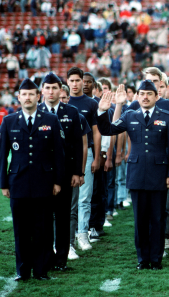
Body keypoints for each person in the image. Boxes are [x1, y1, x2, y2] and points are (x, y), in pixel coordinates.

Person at [97, 81, 169, 270]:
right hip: (137, 174)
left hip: (159, 174)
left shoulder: (167, 117)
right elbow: (108, 130)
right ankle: (142, 259)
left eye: (149, 94)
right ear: (137, 96)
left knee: (157, 218)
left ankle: (156, 259)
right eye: (141, 93)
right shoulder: (129, 115)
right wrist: (102, 112)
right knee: (140, 219)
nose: (145, 97)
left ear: (156, 97)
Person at [0, 79, 65, 281]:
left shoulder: (51, 120)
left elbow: (59, 155)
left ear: (38, 96)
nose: (28, 97)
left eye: (31, 94)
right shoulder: (9, 121)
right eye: (24, 94)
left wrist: (58, 181)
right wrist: (3, 184)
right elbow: (2, 156)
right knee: (21, 229)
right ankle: (23, 270)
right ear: (18, 97)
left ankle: (41, 270)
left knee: (42, 228)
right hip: (17, 183)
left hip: (44, 182)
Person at [38, 73, 84, 272]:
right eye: (47, 88)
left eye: (54, 88)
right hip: (41, 175)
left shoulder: (71, 112)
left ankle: (61, 259)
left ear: (61, 90)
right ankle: (46, 257)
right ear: (42, 91)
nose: (50, 92)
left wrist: (78, 173)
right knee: (43, 218)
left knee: (63, 217)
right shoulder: (35, 111)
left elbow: (77, 145)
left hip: (65, 173)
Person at [66, 67, 101, 253]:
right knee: (67, 200)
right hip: (64, 157)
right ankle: (66, 238)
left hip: (85, 154)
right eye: (71, 81)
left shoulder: (91, 103)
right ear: (67, 82)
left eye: (77, 80)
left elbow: (95, 132)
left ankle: (82, 234)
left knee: (85, 197)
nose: (74, 84)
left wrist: (96, 156)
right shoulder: (63, 101)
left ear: (82, 81)